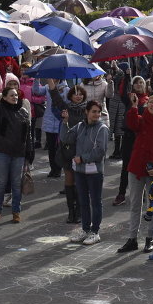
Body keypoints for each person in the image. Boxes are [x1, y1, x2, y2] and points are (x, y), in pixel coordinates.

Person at [116, 95, 153, 254]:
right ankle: (132, 239)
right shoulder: (141, 120)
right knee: (135, 204)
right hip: (136, 168)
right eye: (150, 102)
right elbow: (131, 124)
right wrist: (134, 107)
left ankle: (149, 239)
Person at [61, 100, 109, 246]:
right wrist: (65, 122)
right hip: (80, 171)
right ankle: (85, 229)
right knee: (83, 201)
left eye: (98, 112)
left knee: (95, 201)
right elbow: (66, 138)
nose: (96, 114)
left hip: (94, 171)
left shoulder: (102, 129)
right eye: (93, 111)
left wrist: (82, 158)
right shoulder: (80, 126)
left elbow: (100, 151)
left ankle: (95, 231)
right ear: (86, 112)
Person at [0, 84, 30, 224]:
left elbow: (28, 135)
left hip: (18, 153)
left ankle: (16, 211)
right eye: (11, 95)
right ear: (4, 97)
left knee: (16, 184)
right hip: (2, 152)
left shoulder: (23, 112)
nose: (15, 97)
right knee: (2, 182)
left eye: (16, 95)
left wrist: (29, 153)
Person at [50, 83, 88, 224]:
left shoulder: (87, 110)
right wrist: (50, 81)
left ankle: (78, 212)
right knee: (69, 179)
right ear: (70, 96)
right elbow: (55, 97)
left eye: (80, 94)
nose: (78, 96)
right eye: (75, 94)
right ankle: (71, 212)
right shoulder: (66, 108)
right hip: (67, 149)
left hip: (82, 151)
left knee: (79, 181)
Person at [113, 74, 148, 207]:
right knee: (126, 166)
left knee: (141, 165)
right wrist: (127, 76)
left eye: (141, 82)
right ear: (132, 85)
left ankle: (142, 193)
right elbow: (121, 92)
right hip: (128, 137)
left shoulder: (147, 100)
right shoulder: (129, 98)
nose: (139, 85)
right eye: (136, 83)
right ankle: (121, 193)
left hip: (141, 138)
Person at [33, 77, 68, 178]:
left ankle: (58, 169)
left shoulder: (66, 89)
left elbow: (66, 104)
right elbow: (36, 91)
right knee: (51, 148)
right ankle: (53, 169)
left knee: (58, 148)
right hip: (48, 122)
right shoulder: (47, 87)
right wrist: (37, 79)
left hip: (59, 123)